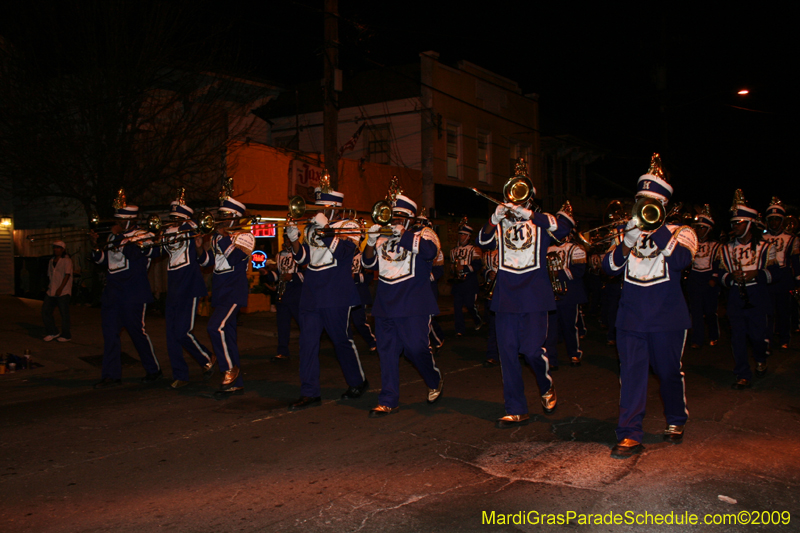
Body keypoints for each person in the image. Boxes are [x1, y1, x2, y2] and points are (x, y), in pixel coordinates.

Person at [602, 154, 697, 459]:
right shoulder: (626, 231)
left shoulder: (682, 232)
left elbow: (682, 261)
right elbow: (610, 267)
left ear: (664, 206)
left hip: (667, 317)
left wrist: (657, 227)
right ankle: (629, 433)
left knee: (668, 372)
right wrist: (627, 240)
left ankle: (676, 418)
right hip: (630, 317)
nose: (644, 208)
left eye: (651, 203)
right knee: (630, 374)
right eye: (641, 201)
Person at [476, 161, 573, 428]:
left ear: (529, 197)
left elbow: (564, 229)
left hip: (534, 295)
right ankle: (516, 407)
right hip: (506, 295)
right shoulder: (501, 223)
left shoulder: (541, 221)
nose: (514, 200)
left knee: (531, 350)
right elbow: (482, 242)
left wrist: (529, 214)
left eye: (521, 196)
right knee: (507, 354)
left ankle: (545, 385)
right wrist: (492, 220)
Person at [285, 179, 368, 410]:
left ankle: (357, 382)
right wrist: (294, 240)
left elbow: (344, 253)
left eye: (325, 206)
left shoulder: (350, 225)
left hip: (336, 293)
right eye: (319, 206)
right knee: (307, 343)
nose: (320, 210)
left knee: (341, 341)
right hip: (311, 293)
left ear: (336, 207)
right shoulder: (312, 226)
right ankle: (310, 392)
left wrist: (327, 230)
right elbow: (303, 259)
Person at [362, 193, 443, 417]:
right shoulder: (382, 236)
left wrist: (405, 235)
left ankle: (433, 379)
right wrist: (370, 242)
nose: (393, 222)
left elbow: (430, 252)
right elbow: (368, 263)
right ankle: (388, 399)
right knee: (386, 353)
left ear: (409, 218)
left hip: (414, 305)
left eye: (398, 218)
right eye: (391, 218)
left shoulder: (424, 234)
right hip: (386, 305)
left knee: (416, 349)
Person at [90, 192, 162, 388]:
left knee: (137, 333)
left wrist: (119, 237)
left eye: (121, 220)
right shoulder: (114, 236)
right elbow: (104, 261)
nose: (117, 223)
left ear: (130, 220)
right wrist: (96, 246)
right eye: (117, 220)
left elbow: (134, 254)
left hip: (133, 293)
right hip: (113, 293)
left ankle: (153, 370)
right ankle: (111, 374)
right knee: (110, 334)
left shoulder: (144, 235)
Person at [718, 190, 777, 389]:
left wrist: (757, 274)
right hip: (736, 296)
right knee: (737, 337)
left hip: (757, 295)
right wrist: (730, 278)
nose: (735, 226)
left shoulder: (765, 247)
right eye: (733, 223)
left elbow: (774, 274)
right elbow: (721, 275)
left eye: (739, 222)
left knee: (758, 337)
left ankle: (761, 358)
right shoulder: (725, 248)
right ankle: (742, 373)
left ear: (750, 223)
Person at [198, 188, 255, 395]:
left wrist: (220, 237)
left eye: (225, 217)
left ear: (235, 219)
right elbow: (210, 262)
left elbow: (232, 258)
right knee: (228, 336)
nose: (220, 221)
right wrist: (198, 248)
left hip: (234, 291)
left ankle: (229, 369)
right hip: (220, 291)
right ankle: (236, 383)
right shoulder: (217, 238)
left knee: (215, 327)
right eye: (220, 216)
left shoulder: (246, 237)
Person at [160, 195, 216, 389]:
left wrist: (200, 248)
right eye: (172, 218)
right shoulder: (169, 233)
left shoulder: (192, 230)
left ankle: (207, 358)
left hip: (190, 287)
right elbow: (154, 252)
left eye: (177, 218)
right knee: (171, 335)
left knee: (183, 331)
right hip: (174, 288)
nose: (173, 222)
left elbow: (208, 263)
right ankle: (180, 374)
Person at [544, 223, 587, 368]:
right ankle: (551, 359)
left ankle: (574, 354)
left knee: (569, 326)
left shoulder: (576, 248)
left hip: (569, 294)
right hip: (551, 294)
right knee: (550, 329)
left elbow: (579, 271)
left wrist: (557, 273)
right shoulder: (547, 249)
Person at [762, 197, 799, 350]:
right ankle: (767, 338)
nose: (774, 223)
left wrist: (797, 279)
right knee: (767, 310)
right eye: (772, 220)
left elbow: (795, 260)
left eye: (777, 220)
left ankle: (784, 338)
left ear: (782, 221)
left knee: (784, 311)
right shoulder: (762, 238)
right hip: (767, 277)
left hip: (784, 278)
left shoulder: (791, 238)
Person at [687, 205, 721, 349]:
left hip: (709, 279)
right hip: (695, 278)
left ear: (708, 229)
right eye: (698, 227)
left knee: (709, 311)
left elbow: (719, 263)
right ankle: (697, 339)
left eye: (702, 227)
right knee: (696, 311)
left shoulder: (716, 245)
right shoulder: (692, 243)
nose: (699, 230)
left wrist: (714, 278)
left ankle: (714, 335)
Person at [271, 235, 304, 362]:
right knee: (282, 325)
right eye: (286, 239)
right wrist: (268, 274)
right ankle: (282, 352)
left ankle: (308, 349)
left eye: (290, 239)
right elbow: (279, 275)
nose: (287, 241)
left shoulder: (302, 253)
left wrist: (293, 277)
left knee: (303, 324)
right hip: (283, 294)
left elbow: (310, 273)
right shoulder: (279, 255)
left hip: (297, 293)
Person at [450, 221, 483, 335]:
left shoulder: (475, 249)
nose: (461, 236)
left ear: (468, 236)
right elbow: (451, 266)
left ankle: (477, 320)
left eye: (463, 234)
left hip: (469, 283)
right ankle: (459, 329)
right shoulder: (453, 250)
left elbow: (478, 265)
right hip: (458, 283)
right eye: (460, 234)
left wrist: (463, 268)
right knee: (457, 307)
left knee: (469, 304)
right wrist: (453, 269)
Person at [42, 240, 73, 342]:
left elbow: (67, 275)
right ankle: (53, 331)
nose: (56, 250)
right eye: (54, 247)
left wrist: (60, 288)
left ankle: (66, 335)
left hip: (63, 291)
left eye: (58, 248)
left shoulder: (67, 261)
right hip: (51, 290)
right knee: (46, 311)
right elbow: (50, 275)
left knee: (64, 314)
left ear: (63, 249)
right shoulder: (51, 261)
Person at [351, 249, 378, 352]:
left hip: (358, 293)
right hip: (343, 292)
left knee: (359, 321)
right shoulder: (341, 254)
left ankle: (372, 341)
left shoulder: (363, 256)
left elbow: (369, 276)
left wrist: (354, 277)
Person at [481, 247, 500, 367]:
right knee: (494, 326)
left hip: (511, 292)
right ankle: (492, 354)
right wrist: (489, 274)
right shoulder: (488, 254)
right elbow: (484, 269)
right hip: (494, 293)